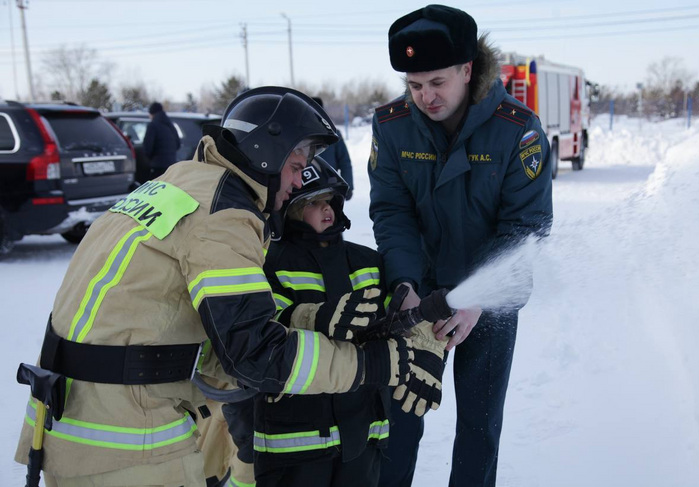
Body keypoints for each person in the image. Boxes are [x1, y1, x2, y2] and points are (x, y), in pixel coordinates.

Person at [15, 86, 412, 487]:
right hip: (127, 444)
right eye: (295, 165)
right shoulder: (223, 216)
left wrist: (307, 318)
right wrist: (373, 364)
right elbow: (255, 356)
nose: (298, 180)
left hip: (76, 422)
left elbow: (190, 329)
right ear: (266, 153)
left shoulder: (179, 184)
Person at [368, 5, 553, 487]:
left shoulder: (518, 130)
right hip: (417, 294)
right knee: (397, 424)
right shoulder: (391, 126)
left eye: (437, 82)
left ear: (468, 70)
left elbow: (525, 227)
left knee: (479, 427)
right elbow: (392, 212)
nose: (425, 96)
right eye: (414, 85)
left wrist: (472, 301)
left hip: (487, 307)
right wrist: (403, 284)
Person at [247, 156, 431, 487]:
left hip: (362, 431)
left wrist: (423, 341)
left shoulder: (366, 260)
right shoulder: (270, 262)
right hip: (296, 439)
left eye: (330, 201)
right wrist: (316, 318)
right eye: (314, 202)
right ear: (289, 209)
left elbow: (397, 316)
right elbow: (265, 324)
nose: (327, 209)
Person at [311, 97, 354, 199]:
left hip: (329, 188)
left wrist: (348, 186)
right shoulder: (299, 136)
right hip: (305, 190)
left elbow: (344, 162)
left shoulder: (333, 135)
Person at [143, 101, 181, 179]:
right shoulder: (170, 125)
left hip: (157, 166)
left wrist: (149, 159)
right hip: (171, 166)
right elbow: (178, 144)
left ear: (152, 113)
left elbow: (148, 147)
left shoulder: (152, 125)